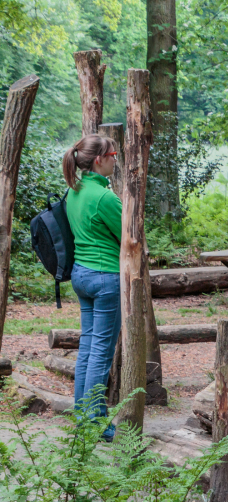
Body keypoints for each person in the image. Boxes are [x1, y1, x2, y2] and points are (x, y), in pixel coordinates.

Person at [63, 134, 121, 440]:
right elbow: (131, 236)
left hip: (81, 275)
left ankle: (81, 415)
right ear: (99, 160)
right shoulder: (104, 198)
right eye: (113, 154)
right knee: (101, 350)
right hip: (106, 277)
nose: (115, 159)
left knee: (87, 347)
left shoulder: (75, 190)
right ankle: (96, 422)